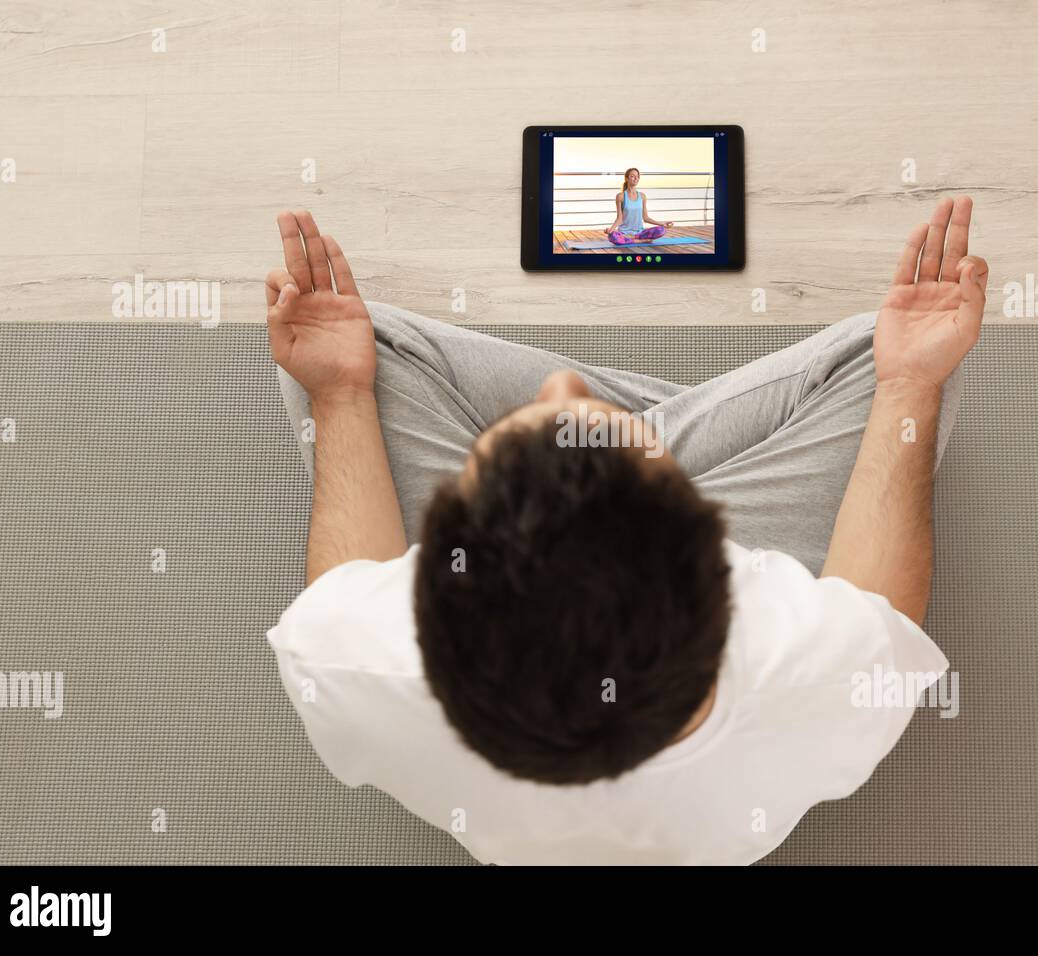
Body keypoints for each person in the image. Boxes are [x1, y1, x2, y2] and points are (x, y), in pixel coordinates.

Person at [264, 197, 988, 865]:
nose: (560, 386)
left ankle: (659, 431)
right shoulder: (806, 669)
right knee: (895, 353)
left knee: (355, 346)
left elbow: (345, 581)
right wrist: (907, 384)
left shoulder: (359, 663)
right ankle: (676, 426)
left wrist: (341, 391)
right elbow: (883, 599)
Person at [603, 166, 673, 244]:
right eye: (632, 176)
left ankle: (633, 239)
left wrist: (662, 224)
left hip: (640, 233)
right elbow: (619, 219)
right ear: (627, 178)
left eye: (637, 176)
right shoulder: (620, 196)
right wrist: (611, 229)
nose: (636, 178)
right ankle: (642, 241)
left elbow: (646, 218)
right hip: (625, 233)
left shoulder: (642, 196)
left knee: (661, 230)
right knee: (612, 236)